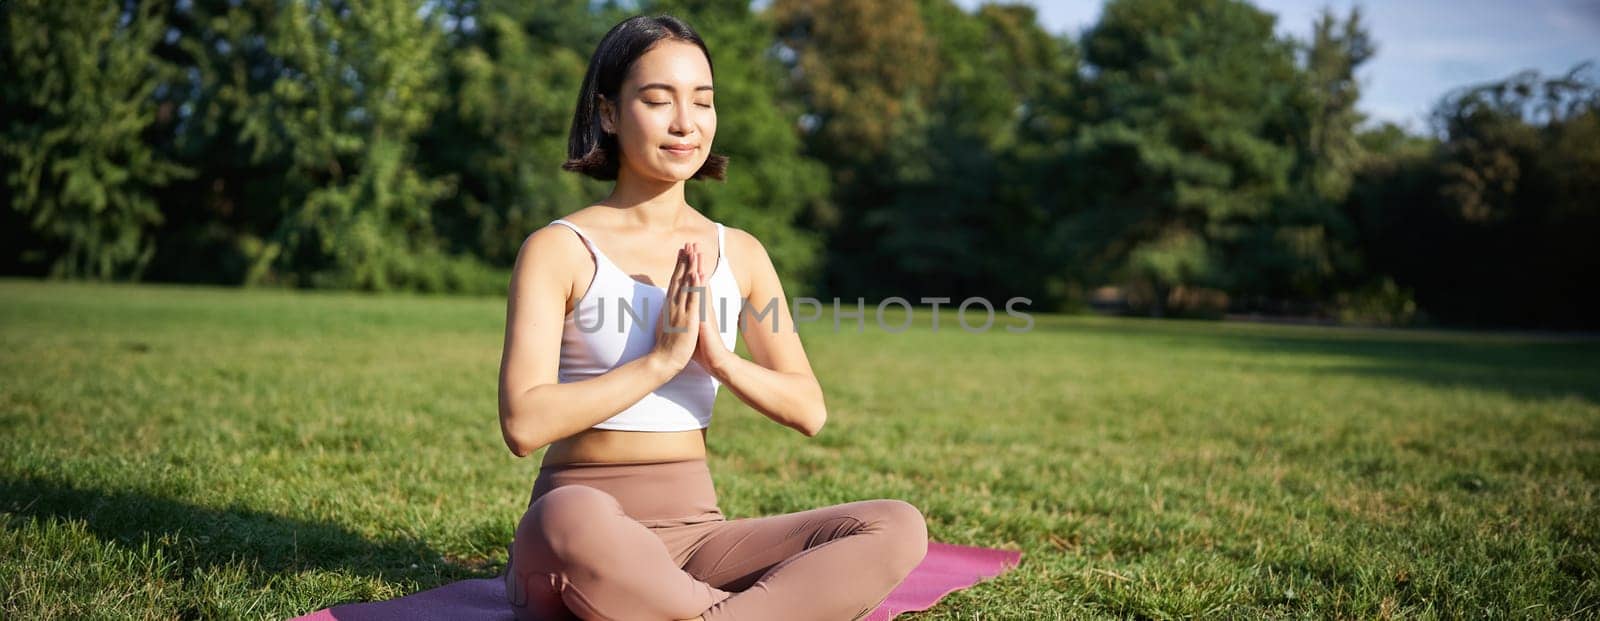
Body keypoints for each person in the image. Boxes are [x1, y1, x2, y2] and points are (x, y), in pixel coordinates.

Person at [495, 14, 928, 621]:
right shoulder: (560, 248)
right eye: (657, 99)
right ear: (610, 114)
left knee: (895, 524)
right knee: (561, 520)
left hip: (697, 539)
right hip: (586, 524)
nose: (684, 123)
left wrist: (720, 360)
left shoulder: (740, 253)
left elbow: (808, 408)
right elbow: (524, 422)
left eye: (702, 102)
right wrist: (661, 361)